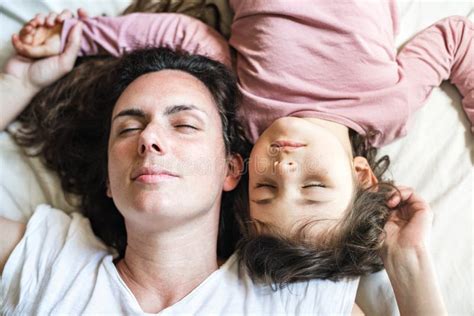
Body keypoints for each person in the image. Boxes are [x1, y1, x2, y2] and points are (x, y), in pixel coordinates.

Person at [0, 16, 364, 315]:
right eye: (128, 128)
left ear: (231, 169)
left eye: (184, 125)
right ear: (108, 181)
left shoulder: (292, 300)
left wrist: (411, 262)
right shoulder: (48, 262)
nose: (149, 138)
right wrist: (16, 83)